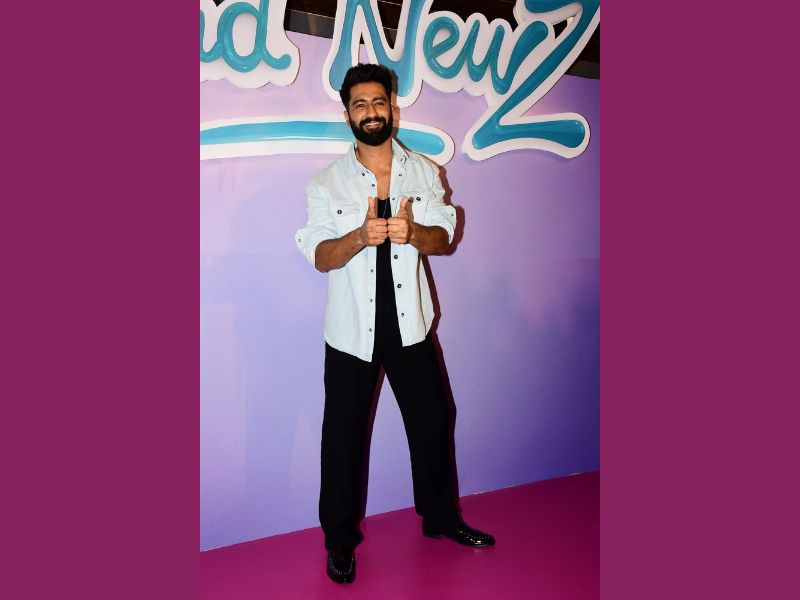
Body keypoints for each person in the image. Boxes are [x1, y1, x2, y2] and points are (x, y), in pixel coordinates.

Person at [295, 63, 494, 585]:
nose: (370, 112)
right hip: (351, 330)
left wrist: (413, 232)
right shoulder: (326, 182)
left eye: (378, 102)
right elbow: (319, 255)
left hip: (411, 326)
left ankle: (441, 518)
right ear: (347, 115)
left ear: (393, 108)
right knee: (342, 437)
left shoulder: (424, 172)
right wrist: (360, 236)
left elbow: (443, 237)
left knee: (433, 419)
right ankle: (340, 541)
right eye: (359, 104)